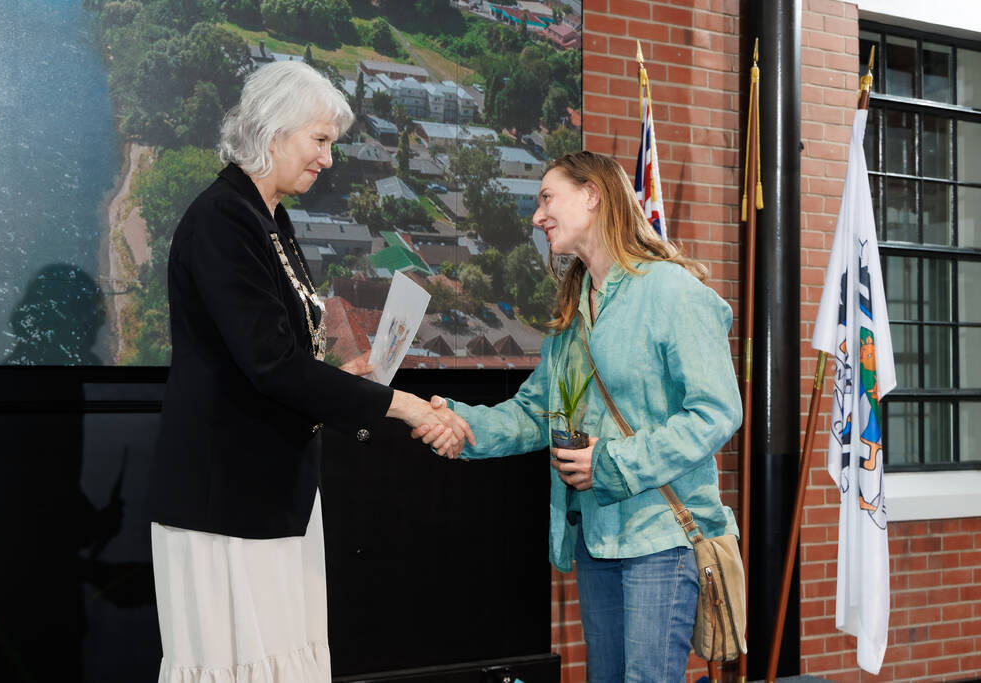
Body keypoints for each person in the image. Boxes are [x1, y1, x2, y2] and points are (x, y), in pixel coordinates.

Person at [146, 61, 472, 683]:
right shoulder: (223, 220)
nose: (328, 159)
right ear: (273, 131)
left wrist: (345, 374)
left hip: (269, 491)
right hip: (227, 500)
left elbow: (278, 357)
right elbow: (271, 367)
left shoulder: (271, 220)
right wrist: (401, 406)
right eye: (320, 141)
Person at [415, 151, 742, 682]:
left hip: (663, 541)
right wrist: (455, 421)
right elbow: (532, 414)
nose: (537, 216)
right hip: (597, 541)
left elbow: (717, 412)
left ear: (593, 194)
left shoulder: (672, 292)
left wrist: (610, 464)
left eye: (547, 197)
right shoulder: (574, 313)